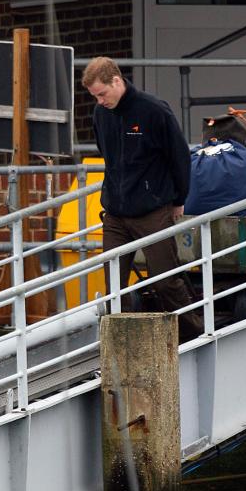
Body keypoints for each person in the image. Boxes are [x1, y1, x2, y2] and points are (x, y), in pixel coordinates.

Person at [82, 56, 203, 342]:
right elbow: (107, 156)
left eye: (102, 93)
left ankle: (194, 333)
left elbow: (179, 157)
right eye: (94, 96)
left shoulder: (153, 110)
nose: (100, 101)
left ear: (116, 81)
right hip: (115, 210)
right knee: (113, 284)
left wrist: (178, 198)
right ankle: (120, 343)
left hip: (152, 209)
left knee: (165, 279)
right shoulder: (101, 114)